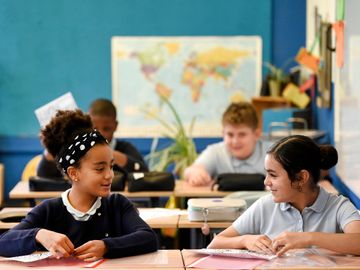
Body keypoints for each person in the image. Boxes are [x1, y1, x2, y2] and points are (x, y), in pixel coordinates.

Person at [0, 110, 158, 259]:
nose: (110, 175)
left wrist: (107, 246)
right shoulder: (49, 210)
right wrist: (39, 234)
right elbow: (3, 242)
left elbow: (149, 238)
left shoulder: (117, 204)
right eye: (100, 169)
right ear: (74, 173)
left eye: (111, 166)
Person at [208, 135, 360, 256]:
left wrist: (308, 238)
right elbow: (215, 244)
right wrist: (245, 240)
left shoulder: (339, 206)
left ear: (301, 178)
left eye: (273, 175)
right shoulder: (265, 206)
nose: (266, 182)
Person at [37, 98, 148, 178]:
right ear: (88, 125)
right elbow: (43, 175)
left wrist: (111, 154)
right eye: (95, 128)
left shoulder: (124, 148)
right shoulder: (76, 151)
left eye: (106, 129)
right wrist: (51, 149)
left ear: (115, 126)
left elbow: (145, 173)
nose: (100, 134)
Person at [184, 101, 271, 186]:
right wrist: (196, 173)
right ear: (223, 133)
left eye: (242, 135)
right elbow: (189, 171)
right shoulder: (216, 152)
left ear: (256, 134)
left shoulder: (273, 153)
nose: (235, 141)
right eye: (230, 134)